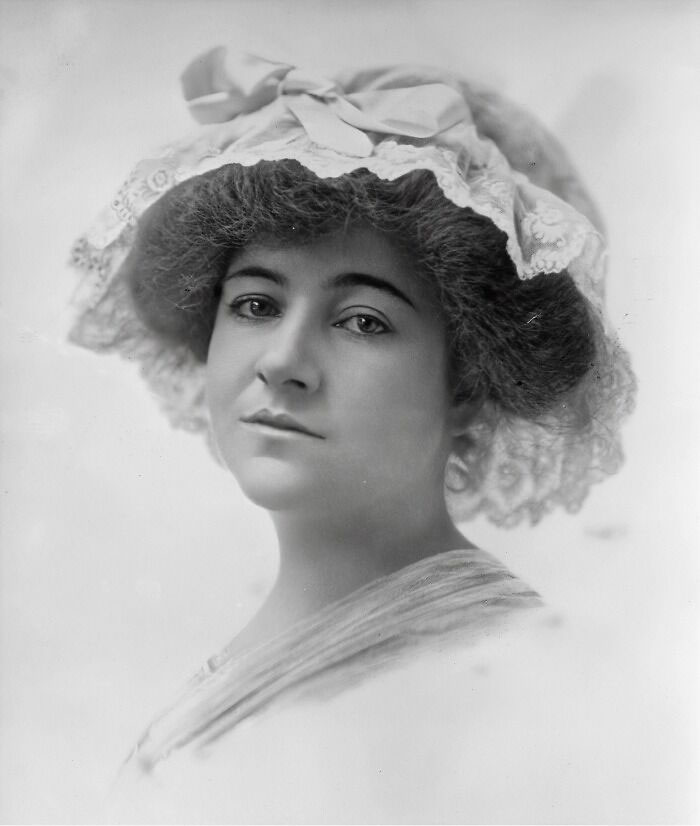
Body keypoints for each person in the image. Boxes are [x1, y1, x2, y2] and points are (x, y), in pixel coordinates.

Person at [68, 47, 635, 820]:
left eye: (362, 320)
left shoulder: (481, 672)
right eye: (257, 305)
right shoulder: (273, 647)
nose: (283, 363)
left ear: (468, 387)